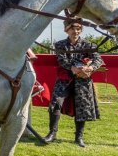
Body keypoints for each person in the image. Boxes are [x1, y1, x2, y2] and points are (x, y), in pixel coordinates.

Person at [43, 17, 104, 147]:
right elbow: (62, 60)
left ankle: (79, 137)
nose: (75, 31)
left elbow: (98, 60)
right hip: (64, 80)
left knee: (81, 107)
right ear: (67, 30)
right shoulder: (60, 45)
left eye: (78, 29)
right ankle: (52, 133)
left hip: (83, 81)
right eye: (72, 29)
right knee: (56, 103)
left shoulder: (89, 45)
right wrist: (74, 69)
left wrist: (90, 68)